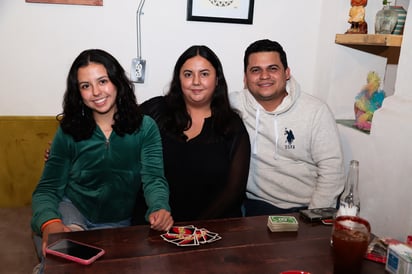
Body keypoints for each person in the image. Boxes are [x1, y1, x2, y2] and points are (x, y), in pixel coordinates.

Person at [31, 49, 173, 270]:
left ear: (117, 82)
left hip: (116, 222)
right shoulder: (69, 130)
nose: (96, 92)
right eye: (85, 86)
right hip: (72, 209)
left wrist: (159, 207)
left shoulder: (145, 128)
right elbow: (47, 189)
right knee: (65, 262)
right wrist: (51, 224)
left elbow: (153, 178)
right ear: (78, 93)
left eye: (103, 81)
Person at [229, 39, 345, 216]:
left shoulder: (315, 110)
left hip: (306, 206)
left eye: (272, 69)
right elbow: (195, 104)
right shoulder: (234, 105)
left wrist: (313, 216)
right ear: (245, 77)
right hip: (254, 205)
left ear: (287, 72)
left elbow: (332, 169)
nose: (264, 76)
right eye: (255, 70)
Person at [139, 45, 251, 222]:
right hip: (154, 225)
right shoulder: (155, 111)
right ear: (179, 80)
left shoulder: (231, 125)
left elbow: (234, 190)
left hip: (211, 228)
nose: (196, 81)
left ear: (217, 80)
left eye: (204, 74)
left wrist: (193, 228)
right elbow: (121, 125)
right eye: (188, 74)